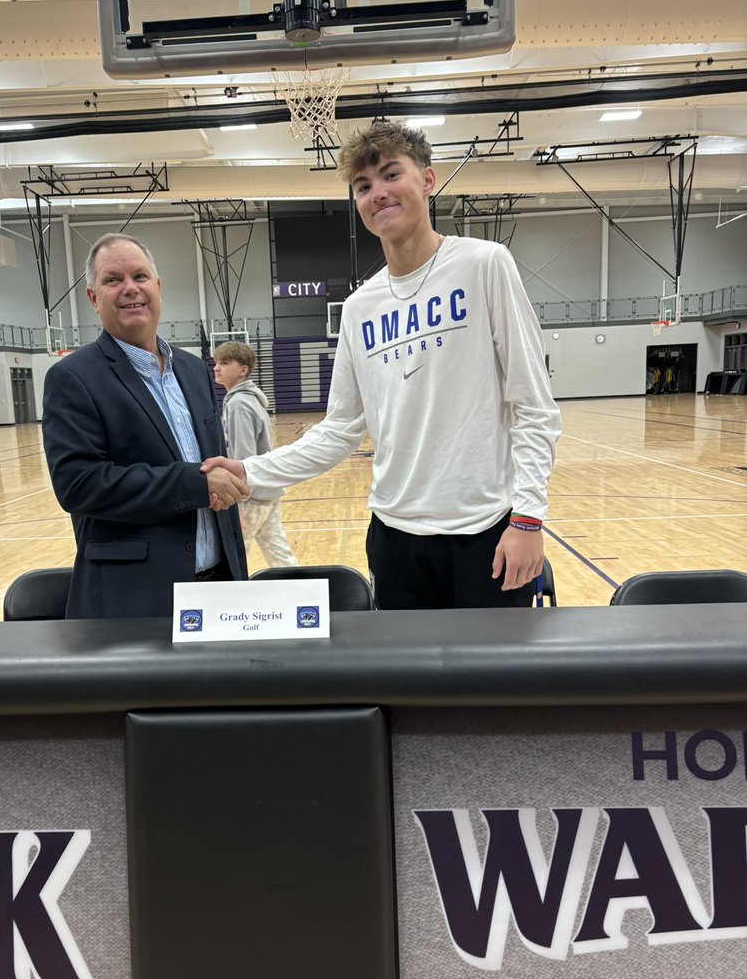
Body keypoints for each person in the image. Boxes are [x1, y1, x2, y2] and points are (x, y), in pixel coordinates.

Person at [202, 120, 561, 609]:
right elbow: (340, 430)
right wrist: (249, 469)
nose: (379, 193)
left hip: (487, 532)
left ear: (428, 181)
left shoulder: (484, 264)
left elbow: (533, 405)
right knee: (406, 687)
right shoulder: (359, 307)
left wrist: (528, 519)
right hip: (396, 539)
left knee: (490, 686)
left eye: (392, 175)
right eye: (364, 186)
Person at [42, 233, 248, 618]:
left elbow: (210, 464)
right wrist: (195, 485)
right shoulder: (72, 377)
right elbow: (79, 485)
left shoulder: (193, 370)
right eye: (112, 280)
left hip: (220, 585)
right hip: (134, 597)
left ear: (158, 286)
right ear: (92, 298)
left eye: (140, 276)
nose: (130, 289)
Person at [213, 340, 299, 569]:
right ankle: (303, 595)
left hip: (252, 495)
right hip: (266, 489)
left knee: (234, 554)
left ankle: (230, 601)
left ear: (243, 370)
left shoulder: (239, 404)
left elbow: (244, 458)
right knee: (279, 554)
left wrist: (239, 504)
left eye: (224, 362)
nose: (216, 368)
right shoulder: (248, 399)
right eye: (215, 363)